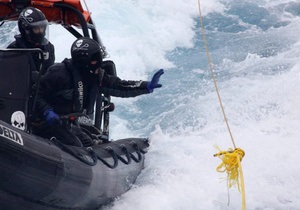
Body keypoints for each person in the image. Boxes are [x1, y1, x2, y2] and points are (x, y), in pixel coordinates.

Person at [34, 37, 164, 147]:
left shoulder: (95, 76)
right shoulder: (59, 73)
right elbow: (36, 93)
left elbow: (119, 85)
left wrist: (146, 86)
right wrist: (47, 111)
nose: (99, 62)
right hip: (46, 123)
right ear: (84, 61)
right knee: (76, 145)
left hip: (67, 124)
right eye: (95, 58)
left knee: (88, 145)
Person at [7, 7, 55, 75]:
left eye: (42, 27)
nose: (40, 32)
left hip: (44, 84)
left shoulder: (49, 47)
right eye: (36, 28)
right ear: (26, 30)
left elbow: (50, 73)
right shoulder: (14, 49)